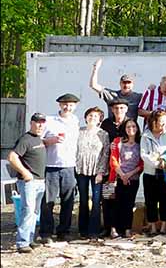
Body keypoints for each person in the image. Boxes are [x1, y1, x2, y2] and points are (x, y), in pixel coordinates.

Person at [40, 93, 81, 242]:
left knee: (68, 201)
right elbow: (39, 140)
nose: (67, 107)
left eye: (71, 105)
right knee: (48, 202)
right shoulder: (49, 121)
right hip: (51, 166)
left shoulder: (75, 121)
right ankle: (46, 233)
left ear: (75, 107)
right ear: (59, 105)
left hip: (70, 167)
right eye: (65, 104)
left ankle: (63, 231)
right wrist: (51, 140)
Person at [9, 113, 48, 252]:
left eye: (42, 122)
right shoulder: (25, 139)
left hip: (40, 181)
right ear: (31, 123)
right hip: (29, 183)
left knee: (34, 212)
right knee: (28, 211)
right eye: (37, 122)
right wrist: (25, 172)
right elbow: (12, 157)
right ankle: (22, 243)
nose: (40, 125)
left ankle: (30, 240)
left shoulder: (39, 139)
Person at [140, 109, 166, 235]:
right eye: (160, 122)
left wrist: (165, 160)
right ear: (153, 122)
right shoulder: (146, 136)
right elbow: (144, 154)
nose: (162, 124)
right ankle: (152, 227)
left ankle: (163, 226)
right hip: (150, 172)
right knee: (150, 200)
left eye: (164, 122)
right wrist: (157, 163)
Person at [76, 106, 110, 239]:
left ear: (99, 119)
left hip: (97, 171)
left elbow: (105, 153)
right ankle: (82, 229)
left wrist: (101, 172)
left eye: (95, 116)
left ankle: (94, 231)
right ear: (85, 118)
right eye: (90, 115)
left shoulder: (103, 134)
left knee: (96, 201)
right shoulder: (78, 132)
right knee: (83, 200)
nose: (92, 118)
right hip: (81, 170)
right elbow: (74, 150)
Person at [105, 119, 143, 239]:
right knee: (112, 203)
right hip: (115, 177)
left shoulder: (140, 143)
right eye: (128, 127)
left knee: (128, 204)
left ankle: (127, 229)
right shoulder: (117, 141)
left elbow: (141, 164)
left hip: (133, 178)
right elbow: (113, 160)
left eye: (133, 126)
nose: (131, 129)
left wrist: (129, 175)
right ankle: (112, 229)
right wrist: (122, 175)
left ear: (137, 128)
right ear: (124, 129)